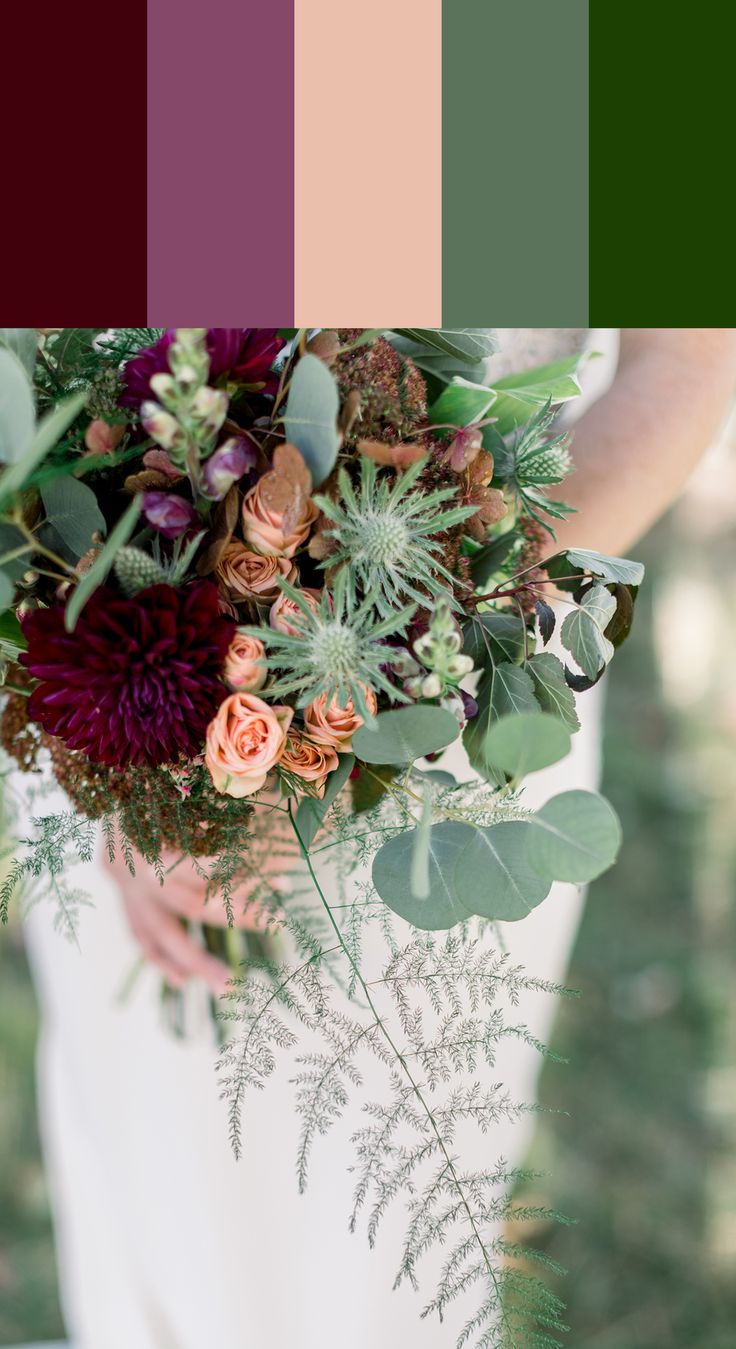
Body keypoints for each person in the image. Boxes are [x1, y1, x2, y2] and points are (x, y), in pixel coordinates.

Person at [16, 328, 736, 1349]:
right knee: (150, 1195)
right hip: (107, 676)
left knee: (366, 1257)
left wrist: (384, 665)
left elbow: (686, 364)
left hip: (449, 705)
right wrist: (135, 778)